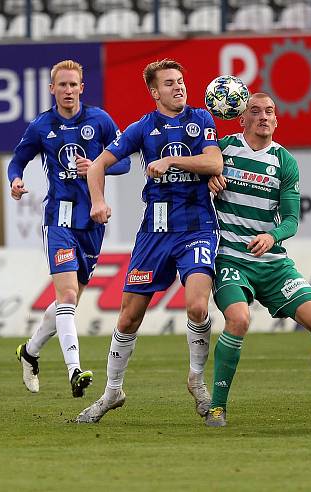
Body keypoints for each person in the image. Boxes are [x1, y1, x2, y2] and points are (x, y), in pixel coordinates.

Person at [203, 93, 311, 427]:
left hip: (273, 263)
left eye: (269, 111)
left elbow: (292, 220)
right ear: (241, 119)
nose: (263, 116)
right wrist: (207, 179)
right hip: (231, 257)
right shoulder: (221, 150)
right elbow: (194, 178)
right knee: (238, 320)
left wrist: (272, 236)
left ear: (276, 120)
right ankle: (217, 406)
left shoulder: (285, 162)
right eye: (255, 111)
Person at [75, 59, 223, 423]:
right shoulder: (143, 127)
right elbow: (96, 165)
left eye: (181, 81)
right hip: (154, 233)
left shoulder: (202, 119)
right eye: (170, 83)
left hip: (197, 227)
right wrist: (97, 200)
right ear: (155, 92)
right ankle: (112, 392)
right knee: (128, 318)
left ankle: (197, 380)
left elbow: (215, 163)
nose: (179, 87)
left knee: (197, 307)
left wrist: (172, 161)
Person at [8, 59, 130, 398]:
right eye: (61, 85)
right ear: (52, 89)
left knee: (68, 302)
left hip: (92, 220)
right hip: (58, 218)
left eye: (73, 84)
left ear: (81, 87)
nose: (68, 90)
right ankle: (74, 370)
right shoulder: (41, 126)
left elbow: (123, 162)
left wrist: (98, 168)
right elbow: (18, 160)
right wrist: (16, 180)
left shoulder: (100, 120)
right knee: (67, 296)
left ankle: (30, 352)